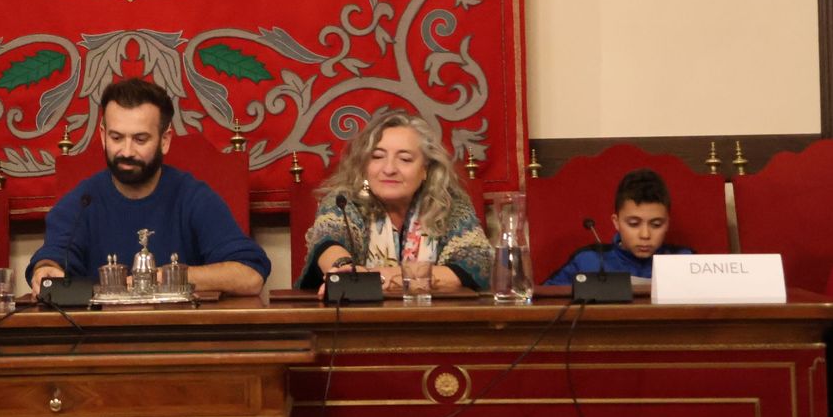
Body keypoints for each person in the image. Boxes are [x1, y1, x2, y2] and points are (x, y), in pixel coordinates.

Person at [28, 77, 270, 296]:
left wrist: (164, 278)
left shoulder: (193, 197)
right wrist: (46, 270)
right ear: (102, 135)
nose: (126, 151)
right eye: (116, 138)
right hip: (98, 339)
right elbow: (52, 260)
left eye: (140, 139)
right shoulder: (82, 201)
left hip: (182, 336)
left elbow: (250, 276)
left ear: (164, 140)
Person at [296, 111, 492, 296]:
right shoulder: (343, 201)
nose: (389, 169)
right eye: (377, 157)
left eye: (405, 159)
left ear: (425, 169)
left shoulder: (449, 205)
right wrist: (343, 269)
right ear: (364, 165)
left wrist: (375, 278)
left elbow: (474, 264)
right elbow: (328, 243)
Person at [544, 168, 692, 285]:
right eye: (634, 224)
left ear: (667, 223)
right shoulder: (588, 261)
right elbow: (544, 302)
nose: (645, 235)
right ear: (616, 222)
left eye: (656, 225)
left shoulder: (685, 261)